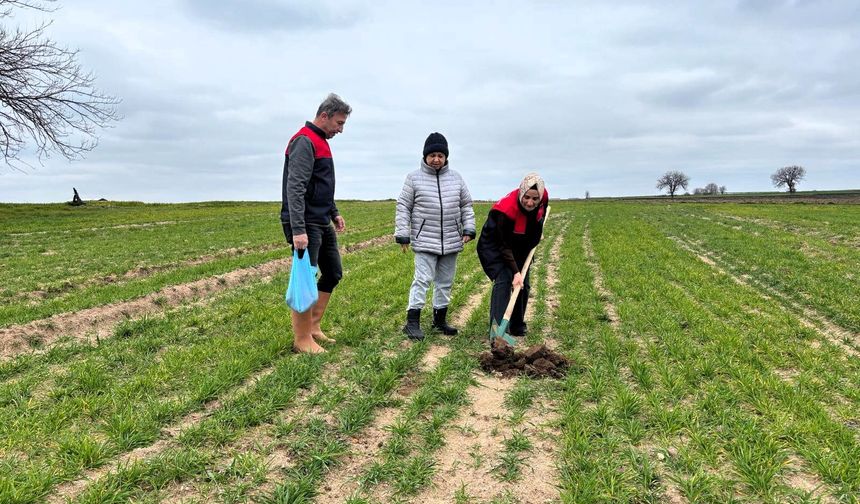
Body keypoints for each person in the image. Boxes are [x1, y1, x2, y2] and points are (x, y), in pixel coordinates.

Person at [280, 93, 351, 353]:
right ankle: (301, 340)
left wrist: (333, 211)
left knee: (332, 272)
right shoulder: (304, 140)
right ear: (324, 116)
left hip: (321, 220)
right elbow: (295, 188)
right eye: (339, 123)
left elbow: (320, 184)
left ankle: (313, 327)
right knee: (305, 278)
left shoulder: (321, 141)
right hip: (305, 223)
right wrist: (298, 229)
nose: (340, 130)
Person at [395, 132, 476, 341]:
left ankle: (440, 320)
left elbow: (466, 205)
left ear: (446, 157)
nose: (437, 159)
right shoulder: (413, 178)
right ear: (425, 157)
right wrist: (403, 234)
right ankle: (412, 323)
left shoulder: (456, 178)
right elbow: (403, 206)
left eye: (441, 155)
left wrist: (468, 228)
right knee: (422, 280)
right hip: (424, 240)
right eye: (432, 155)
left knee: (445, 282)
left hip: (450, 240)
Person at [477, 173, 549, 339]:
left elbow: (539, 217)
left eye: (535, 199)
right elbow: (504, 245)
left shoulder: (543, 198)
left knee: (523, 285)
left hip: (521, 241)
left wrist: (536, 236)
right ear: (521, 192)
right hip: (495, 244)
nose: (530, 202)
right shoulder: (506, 211)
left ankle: (517, 325)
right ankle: (497, 332)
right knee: (504, 280)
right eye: (527, 197)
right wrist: (515, 272)